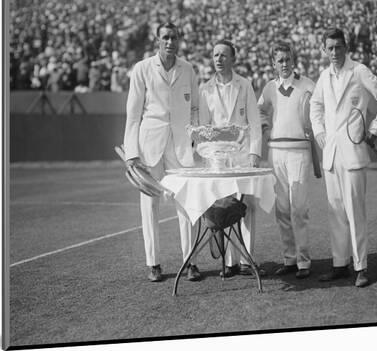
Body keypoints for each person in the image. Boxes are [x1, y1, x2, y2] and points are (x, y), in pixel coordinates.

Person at [310, 28, 377, 287]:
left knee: (355, 212)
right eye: (330, 48)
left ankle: (361, 267)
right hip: (332, 155)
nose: (334, 52)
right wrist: (320, 133)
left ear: (346, 47)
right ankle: (339, 264)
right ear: (324, 50)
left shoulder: (359, 71)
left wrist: (375, 131)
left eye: (338, 47)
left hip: (354, 155)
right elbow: (315, 106)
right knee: (336, 212)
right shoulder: (324, 76)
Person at [123, 22, 201, 283]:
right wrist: (132, 152)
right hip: (149, 145)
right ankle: (153, 263)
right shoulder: (142, 68)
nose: (170, 42)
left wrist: (195, 139)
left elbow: (195, 109)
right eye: (165, 37)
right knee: (149, 205)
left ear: (179, 40)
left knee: (187, 203)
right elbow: (133, 114)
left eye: (174, 37)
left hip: (180, 145)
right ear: (157, 40)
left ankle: (190, 261)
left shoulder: (188, 69)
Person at [199, 39, 264, 277]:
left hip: (243, 156)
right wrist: (209, 156)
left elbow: (255, 123)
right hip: (218, 160)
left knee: (248, 207)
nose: (218, 59)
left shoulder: (244, 85)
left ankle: (247, 260)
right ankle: (230, 262)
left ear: (233, 59)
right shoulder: (204, 89)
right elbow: (204, 129)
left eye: (224, 55)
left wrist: (255, 152)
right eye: (215, 55)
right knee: (224, 208)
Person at [257, 41, 315, 279]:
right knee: (281, 209)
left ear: (294, 60)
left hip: (300, 151)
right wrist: (266, 128)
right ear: (273, 63)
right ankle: (289, 259)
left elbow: (319, 110)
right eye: (279, 60)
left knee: (298, 208)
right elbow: (259, 110)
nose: (284, 64)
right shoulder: (269, 88)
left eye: (287, 59)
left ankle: (304, 261)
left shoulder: (308, 85)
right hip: (276, 152)